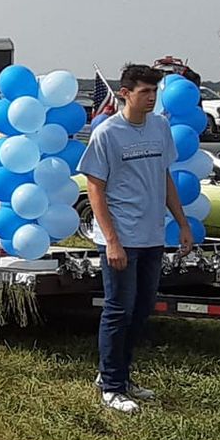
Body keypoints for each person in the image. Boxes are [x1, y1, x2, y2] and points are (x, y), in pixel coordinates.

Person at [83, 62, 192, 413]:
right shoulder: (107, 133)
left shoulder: (160, 127)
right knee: (119, 308)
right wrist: (111, 240)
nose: (151, 98)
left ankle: (118, 374)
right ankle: (111, 387)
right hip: (121, 236)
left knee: (143, 308)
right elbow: (95, 188)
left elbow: (165, 177)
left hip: (152, 235)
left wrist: (182, 222)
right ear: (125, 94)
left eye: (154, 92)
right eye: (145, 92)